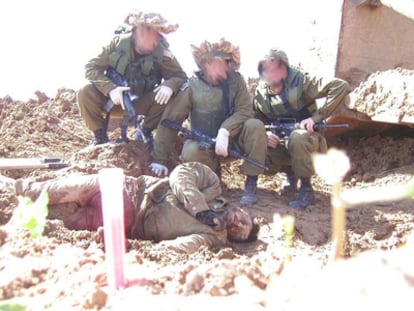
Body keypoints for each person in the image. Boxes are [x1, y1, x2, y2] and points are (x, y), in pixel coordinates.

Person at [10, 162, 259, 254]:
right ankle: (10, 187)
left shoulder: (211, 236)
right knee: (39, 192)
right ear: (243, 211)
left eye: (239, 232)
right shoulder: (212, 185)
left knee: (37, 217)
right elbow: (181, 173)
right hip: (125, 188)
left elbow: (182, 247)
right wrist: (199, 209)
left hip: (122, 221)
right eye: (243, 222)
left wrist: (143, 251)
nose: (237, 225)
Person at [150, 39, 267, 206]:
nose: (227, 66)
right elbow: (170, 121)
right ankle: (211, 175)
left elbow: (245, 110)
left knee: (255, 126)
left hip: (232, 144)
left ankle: (251, 183)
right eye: (223, 62)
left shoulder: (236, 81)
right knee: (190, 151)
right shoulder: (191, 86)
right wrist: (159, 159)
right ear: (207, 63)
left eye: (228, 62)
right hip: (205, 146)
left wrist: (225, 131)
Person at [77, 11, 187, 152]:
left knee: (174, 95)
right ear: (140, 31)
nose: (157, 41)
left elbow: (180, 76)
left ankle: (144, 132)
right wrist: (110, 88)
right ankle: (99, 137)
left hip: (141, 103)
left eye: (159, 36)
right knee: (85, 91)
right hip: (114, 102)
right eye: (154, 35)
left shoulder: (161, 53)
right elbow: (91, 68)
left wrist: (169, 85)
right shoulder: (117, 44)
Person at [253, 48, 350, 208]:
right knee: (253, 145)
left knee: (297, 137)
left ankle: (306, 189)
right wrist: (266, 133)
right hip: (279, 142)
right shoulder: (261, 92)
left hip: (308, 141)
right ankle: (289, 175)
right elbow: (255, 119)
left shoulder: (301, 83)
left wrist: (316, 118)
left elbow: (339, 86)